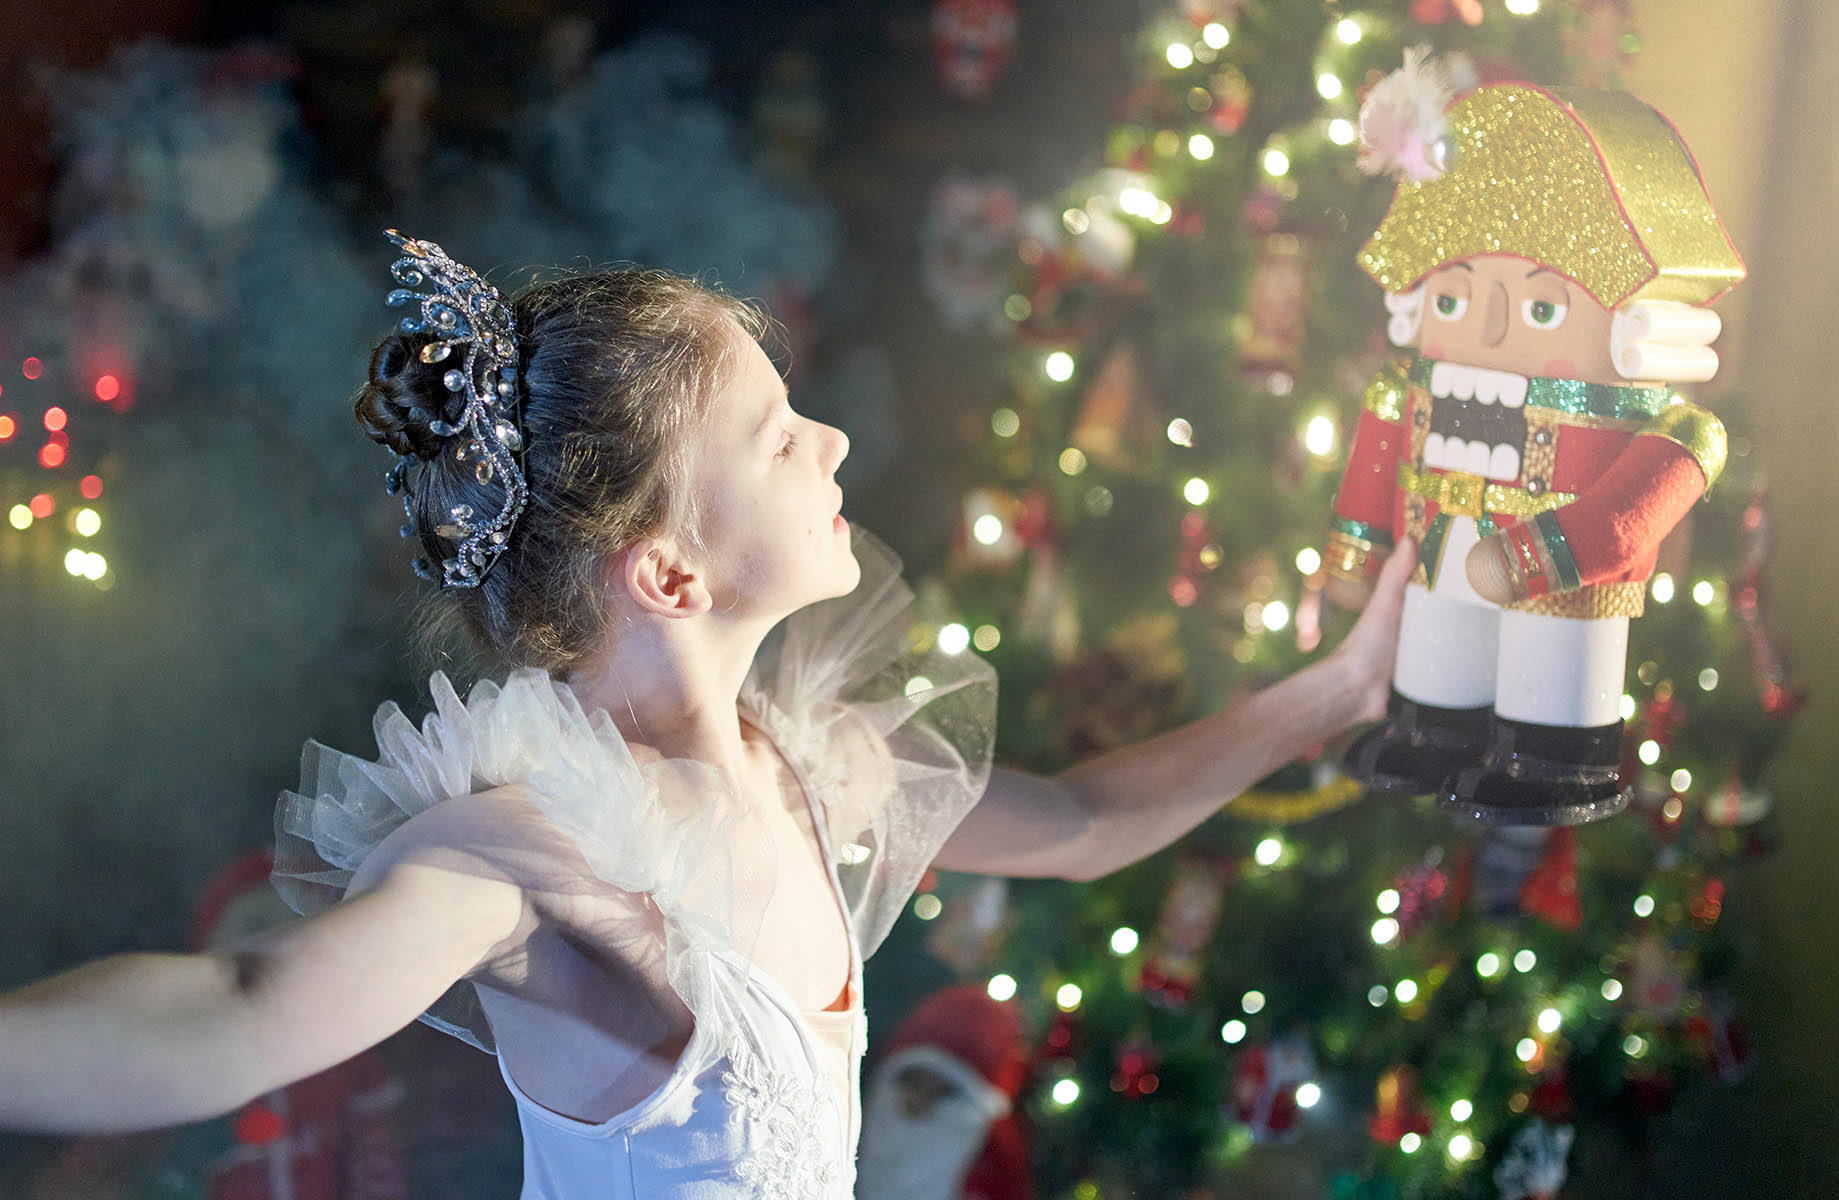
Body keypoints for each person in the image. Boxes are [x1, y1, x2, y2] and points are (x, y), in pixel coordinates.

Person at [0, 232, 1414, 1198]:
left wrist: (1341, 690)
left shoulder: (814, 766)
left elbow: (1088, 823)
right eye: (778, 432)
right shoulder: (534, 860)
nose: (837, 441)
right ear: (669, 572)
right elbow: (241, 1009)